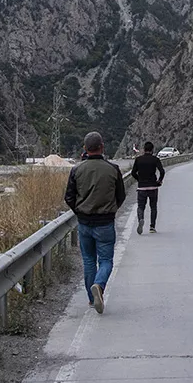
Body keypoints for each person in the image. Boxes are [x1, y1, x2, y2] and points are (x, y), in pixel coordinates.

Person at [64, 131, 125, 314]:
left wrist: (80, 211)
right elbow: (121, 196)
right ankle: (99, 285)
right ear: (102, 147)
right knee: (105, 260)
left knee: (89, 260)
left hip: (84, 223)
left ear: (85, 149)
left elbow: (69, 197)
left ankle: (92, 300)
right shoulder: (113, 169)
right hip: (105, 222)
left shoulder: (76, 170)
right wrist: (111, 209)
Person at [130, 142, 165, 235]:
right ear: (152, 150)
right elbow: (162, 171)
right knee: (153, 207)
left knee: (141, 207)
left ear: (144, 149)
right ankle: (152, 227)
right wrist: (159, 181)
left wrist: (139, 180)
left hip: (142, 187)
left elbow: (133, 173)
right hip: (153, 186)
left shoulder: (138, 159)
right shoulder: (155, 159)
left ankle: (141, 219)